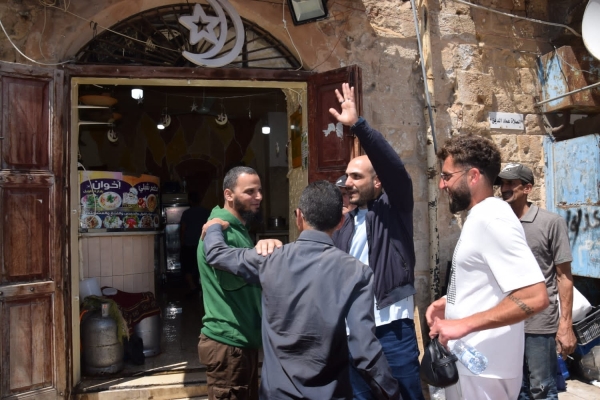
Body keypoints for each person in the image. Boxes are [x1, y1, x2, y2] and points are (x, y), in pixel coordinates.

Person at [202, 181, 400, 399]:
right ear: (341, 222)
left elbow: (216, 254)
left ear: (299, 217)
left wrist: (214, 226)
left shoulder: (269, 260)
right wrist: (392, 393)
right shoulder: (357, 272)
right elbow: (365, 350)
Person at [426, 134, 549, 400]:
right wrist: (449, 301)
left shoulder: (493, 220)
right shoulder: (481, 217)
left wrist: (463, 324)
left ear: (473, 176)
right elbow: (492, 284)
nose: (442, 184)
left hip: (484, 371)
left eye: (447, 176)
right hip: (473, 366)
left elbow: (535, 296)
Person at [329, 83, 424, 400]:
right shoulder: (343, 224)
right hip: (352, 332)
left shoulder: (394, 210)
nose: (348, 182)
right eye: (347, 176)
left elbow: (395, 169)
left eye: (356, 176)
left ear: (378, 181)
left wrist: (358, 125)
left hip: (392, 329)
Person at [496, 162, 576, 400]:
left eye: (511, 183)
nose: (504, 189)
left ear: (528, 188)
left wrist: (565, 325)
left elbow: (564, 276)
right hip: (506, 321)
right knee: (514, 390)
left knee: (541, 389)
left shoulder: (551, 223)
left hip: (539, 324)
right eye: (502, 184)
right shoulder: (498, 224)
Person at [197, 166, 264, 400]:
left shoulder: (234, 228)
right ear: (229, 194)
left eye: (260, 190)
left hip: (240, 343)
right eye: (250, 191)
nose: (258, 197)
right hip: (229, 345)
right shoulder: (224, 234)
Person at [179, 191, 209, 297]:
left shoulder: (186, 213)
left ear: (190, 201)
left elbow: (183, 229)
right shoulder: (206, 212)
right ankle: (204, 288)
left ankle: (193, 287)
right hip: (203, 244)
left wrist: (182, 242)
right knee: (202, 266)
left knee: (187, 267)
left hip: (189, 244)